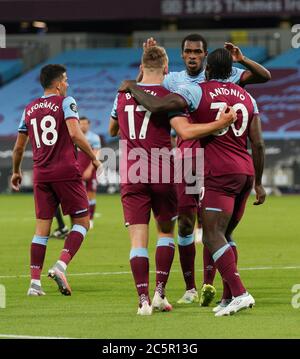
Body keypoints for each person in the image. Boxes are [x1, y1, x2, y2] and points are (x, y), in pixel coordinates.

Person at [121, 34, 271, 307]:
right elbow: (151, 88)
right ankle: (191, 287)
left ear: (205, 57)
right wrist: (146, 65)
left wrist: (242, 58)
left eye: (197, 52)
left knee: (214, 227)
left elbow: (264, 76)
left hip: (215, 160)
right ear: (182, 55)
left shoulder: (227, 77)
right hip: (190, 160)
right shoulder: (174, 80)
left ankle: (211, 286)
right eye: (188, 51)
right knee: (189, 222)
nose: (192, 56)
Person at [110, 46, 236, 315]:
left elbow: (113, 128)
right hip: (161, 168)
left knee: (137, 240)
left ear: (142, 67)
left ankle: (142, 300)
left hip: (131, 170)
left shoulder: (121, 96)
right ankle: (159, 294)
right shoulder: (169, 95)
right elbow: (184, 132)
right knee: (166, 232)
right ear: (167, 69)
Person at [11, 64, 101, 296]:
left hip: (41, 174)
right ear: (59, 83)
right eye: (66, 80)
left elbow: (19, 147)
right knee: (82, 222)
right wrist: (93, 157)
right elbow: (74, 133)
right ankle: (60, 266)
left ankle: (34, 284)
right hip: (66, 172)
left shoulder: (29, 109)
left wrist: (16, 171)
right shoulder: (65, 101)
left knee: (41, 229)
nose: (68, 84)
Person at [78, 116, 101, 229]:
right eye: (81, 124)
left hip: (90, 170)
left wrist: (89, 169)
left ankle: (90, 219)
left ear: (89, 125)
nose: (83, 126)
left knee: (91, 194)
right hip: (77, 169)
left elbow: (96, 155)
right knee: (78, 196)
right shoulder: (74, 136)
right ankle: (80, 220)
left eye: (85, 124)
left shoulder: (94, 138)